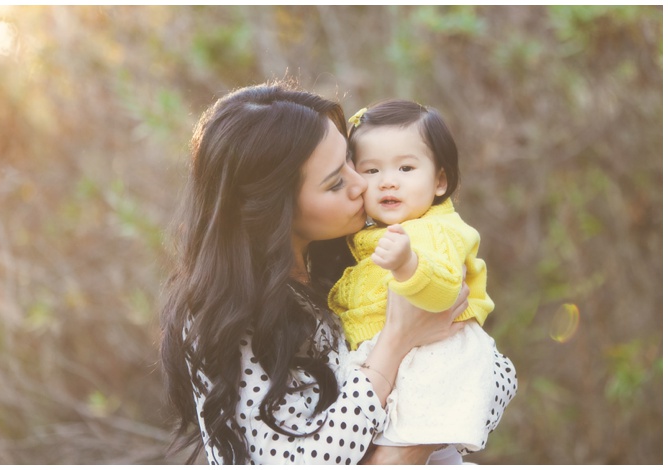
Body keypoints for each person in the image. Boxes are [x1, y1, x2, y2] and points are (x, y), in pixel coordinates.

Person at [159, 79, 514, 465]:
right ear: (275, 208)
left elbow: (496, 378)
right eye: (335, 182)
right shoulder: (224, 316)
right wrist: (397, 344)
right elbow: (296, 460)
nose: (363, 182)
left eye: (350, 159)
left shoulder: (363, 258)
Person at [328, 99, 517, 463]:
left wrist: (408, 265)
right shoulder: (373, 236)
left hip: (433, 363)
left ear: (440, 180)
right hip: (399, 363)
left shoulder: (432, 232)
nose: (388, 181)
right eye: (370, 170)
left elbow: (448, 291)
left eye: (406, 167)